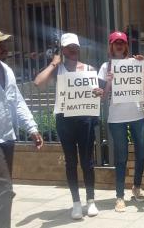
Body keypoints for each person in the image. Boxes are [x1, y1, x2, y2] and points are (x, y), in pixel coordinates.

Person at [0, 27, 43, 228]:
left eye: (4, 42)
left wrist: (32, 128)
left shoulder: (7, 71)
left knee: (1, 187)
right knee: (3, 186)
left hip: (7, 137)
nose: (4, 47)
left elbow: (18, 102)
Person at [34, 33, 99, 220]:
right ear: (62, 49)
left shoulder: (89, 69)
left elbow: (96, 94)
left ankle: (91, 200)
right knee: (71, 162)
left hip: (85, 119)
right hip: (65, 120)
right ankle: (76, 203)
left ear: (79, 48)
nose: (73, 49)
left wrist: (98, 92)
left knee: (88, 162)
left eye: (75, 46)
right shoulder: (58, 70)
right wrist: (54, 62)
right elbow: (38, 82)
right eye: (69, 46)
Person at [95, 31, 144, 212]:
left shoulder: (136, 63)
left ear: (126, 45)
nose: (119, 45)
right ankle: (119, 196)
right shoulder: (105, 66)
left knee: (141, 154)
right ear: (111, 46)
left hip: (137, 115)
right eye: (115, 42)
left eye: (122, 42)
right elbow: (102, 98)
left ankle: (137, 187)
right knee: (121, 157)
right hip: (116, 118)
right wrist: (108, 82)